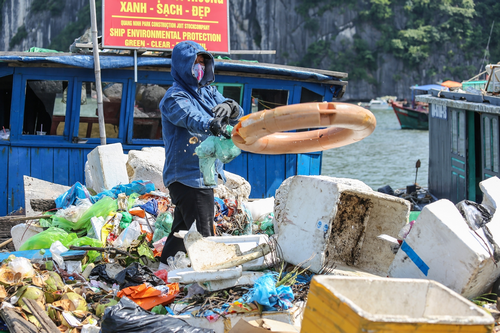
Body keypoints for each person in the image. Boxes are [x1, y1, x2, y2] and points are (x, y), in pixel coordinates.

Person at [158, 41, 243, 269]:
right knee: (205, 234)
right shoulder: (174, 97)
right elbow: (191, 118)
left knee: (182, 229)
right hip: (188, 177)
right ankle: (209, 277)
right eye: (195, 62)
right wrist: (213, 124)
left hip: (203, 175)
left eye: (203, 62)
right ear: (183, 65)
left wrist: (230, 107)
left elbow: (237, 114)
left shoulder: (208, 92)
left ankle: (164, 269)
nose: (200, 67)